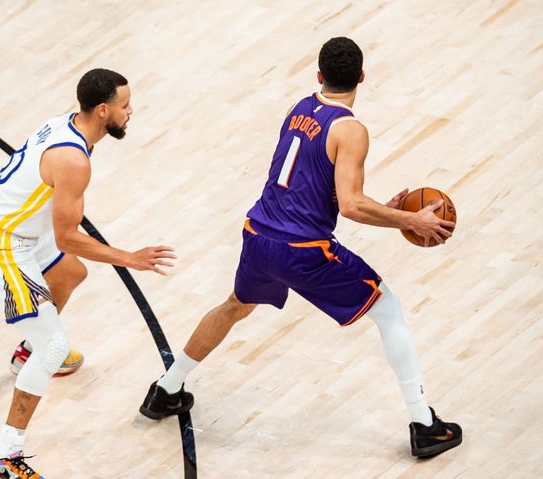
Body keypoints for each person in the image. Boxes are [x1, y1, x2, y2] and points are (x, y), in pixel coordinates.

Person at [140, 37, 462, 459]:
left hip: (259, 234)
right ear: (362, 77)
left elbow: (316, 187)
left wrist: (384, 209)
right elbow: (350, 205)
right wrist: (410, 220)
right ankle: (424, 425)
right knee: (388, 309)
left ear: (319, 76)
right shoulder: (351, 130)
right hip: (303, 249)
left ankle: (166, 390)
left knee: (234, 306)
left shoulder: (299, 110)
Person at [0, 68, 176, 479]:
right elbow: (67, 237)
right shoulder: (73, 159)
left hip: (23, 226)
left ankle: (26, 351)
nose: (131, 111)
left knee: (71, 273)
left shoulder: (72, 124)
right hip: (1, 241)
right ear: (102, 111)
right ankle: (3, 457)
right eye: (124, 105)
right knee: (54, 346)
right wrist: (130, 258)